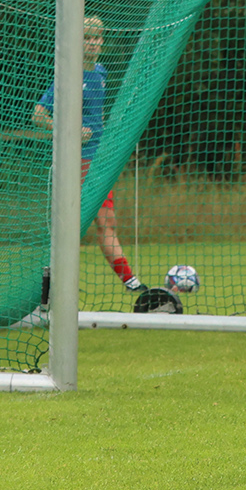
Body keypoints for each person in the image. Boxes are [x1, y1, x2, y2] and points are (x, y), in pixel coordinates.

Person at [33, 15, 147, 296]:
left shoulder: (100, 72)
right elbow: (38, 115)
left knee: (107, 222)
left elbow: (95, 115)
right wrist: (70, 130)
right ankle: (46, 291)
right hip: (77, 162)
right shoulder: (68, 75)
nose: (93, 43)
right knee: (73, 227)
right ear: (77, 41)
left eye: (98, 38)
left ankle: (132, 284)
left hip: (98, 161)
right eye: (87, 38)